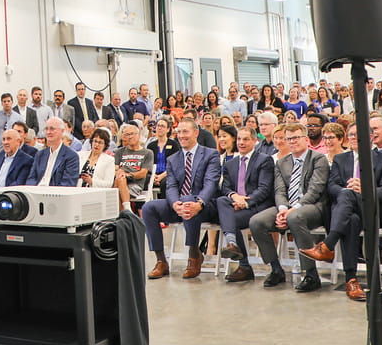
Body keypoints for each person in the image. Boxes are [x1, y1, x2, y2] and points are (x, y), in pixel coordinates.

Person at [300, 120, 382, 301]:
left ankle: (328, 245)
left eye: (357, 135)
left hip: (371, 209)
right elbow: (332, 186)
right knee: (350, 218)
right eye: (351, 134)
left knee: (347, 197)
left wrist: (365, 189)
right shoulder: (341, 159)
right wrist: (348, 191)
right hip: (346, 211)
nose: (353, 138)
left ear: (370, 137)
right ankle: (351, 279)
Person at [248, 123, 330, 292]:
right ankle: (276, 269)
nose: (292, 142)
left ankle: (311, 274)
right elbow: (279, 190)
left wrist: (294, 209)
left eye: (296, 138)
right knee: (257, 221)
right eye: (289, 139)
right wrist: (282, 209)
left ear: (306, 139)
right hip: (287, 207)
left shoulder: (318, 159)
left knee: (295, 217)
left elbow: (315, 189)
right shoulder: (281, 162)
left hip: (313, 206)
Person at [142, 118, 221, 280]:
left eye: (185, 131)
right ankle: (161, 261)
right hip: (181, 205)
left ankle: (194, 255)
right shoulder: (173, 159)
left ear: (196, 133)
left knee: (188, 200)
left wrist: (199, 202)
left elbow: (211, 183)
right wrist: (174, 203)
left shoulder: (210, 154)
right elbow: (171, 186)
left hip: (204, 206)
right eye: (179, 132)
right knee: (149, 208)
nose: (181, 135)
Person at [216, 127, 275, 283]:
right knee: (222, 201)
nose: (241, 142)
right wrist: (235, 197)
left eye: (246, 139)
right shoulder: (230, 164)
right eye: (239, 139)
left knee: (229, 220)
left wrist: (245, 202)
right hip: (237, 204)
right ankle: (233, 246)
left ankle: (251, 266)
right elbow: (225, 188)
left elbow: (264, 189)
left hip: (258, 206)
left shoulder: (264, 160)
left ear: (255, 141)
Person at [26, 117, 81, 186]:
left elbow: (68, 184)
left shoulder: (71, 156)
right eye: (46, 129)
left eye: (52, 129)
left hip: (55, 191)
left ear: (62, 131)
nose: (48, 132)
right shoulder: (40, 154)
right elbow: (31, 179)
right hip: (36, 190)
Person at [113, 124, 152, 209]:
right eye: (127, 134)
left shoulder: (147, 153)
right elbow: (115, 168)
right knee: (120, 179)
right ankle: (127, 210)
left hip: (135, 184)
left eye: (132, 134)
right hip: (119, 181)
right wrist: (119, 171)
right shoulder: (119, 152)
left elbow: (143, 173)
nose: (130, 137)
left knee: (120, 180)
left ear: (138, 135)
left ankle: (123, 212)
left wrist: (128, 175)